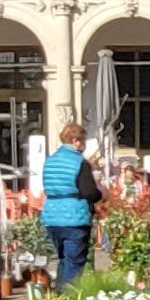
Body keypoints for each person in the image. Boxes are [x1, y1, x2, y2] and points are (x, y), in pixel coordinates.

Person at [40, 119, 97, 285]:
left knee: (63, 259)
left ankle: (59, 298)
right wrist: (101, 194)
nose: (84, 145)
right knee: (74, 262)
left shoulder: (49, 161)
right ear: (75, 141)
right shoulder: (80, 162)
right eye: (83, 141)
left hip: (51, 216)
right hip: (74, 217)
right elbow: (89, 192)